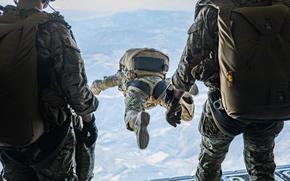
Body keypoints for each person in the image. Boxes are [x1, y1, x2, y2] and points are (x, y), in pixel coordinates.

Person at [169, 0, 287, 180]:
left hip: (225, 105)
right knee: (262, 164)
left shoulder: (214, 9)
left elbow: (191, 60)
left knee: (211, 160)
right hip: (273, 102)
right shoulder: (284, 5)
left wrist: (174, 97)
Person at [0, 0, 98, 180]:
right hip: (50, 136)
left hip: (5, 137)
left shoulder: (3, 24)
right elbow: (75, 86)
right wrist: (89, 119)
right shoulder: (54, 28)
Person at [91, 48, 197, 149]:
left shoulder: (121, 76)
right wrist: (179, 87)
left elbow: (101, 84)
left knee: (132, 111)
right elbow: (168, 81)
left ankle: (137, 121)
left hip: (137, 86)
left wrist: (93, 90)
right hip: (159, 84)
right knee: (185, 115)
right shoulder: (162, 79)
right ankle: (184, 96)